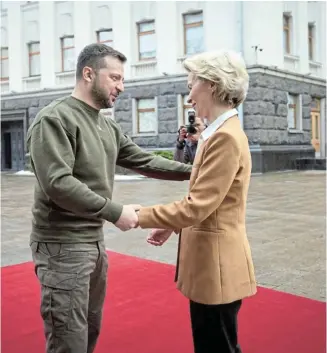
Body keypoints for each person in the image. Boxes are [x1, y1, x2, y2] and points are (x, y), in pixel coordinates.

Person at [26, 43, 192, 353]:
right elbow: (58, 184)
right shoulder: (54, 119)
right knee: (68, 341)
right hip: (61, 246)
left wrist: (195, 172)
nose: (122, 86)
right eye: (115, 78)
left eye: (122, 79)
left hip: (93, 243)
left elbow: (144, 160)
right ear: (88, 74)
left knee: (89, 331)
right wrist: (114, 211)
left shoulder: (106, 125)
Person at [136, 50, 257, 353]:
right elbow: (207, 200)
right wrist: (172, 227)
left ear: (213, 85)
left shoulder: (225, 137)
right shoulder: (215, 134)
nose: (189, 96)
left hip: (216, 267)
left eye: (192, 85)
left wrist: (141, 215)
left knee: (216, 347)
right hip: (209, 265)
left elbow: (199, 206)